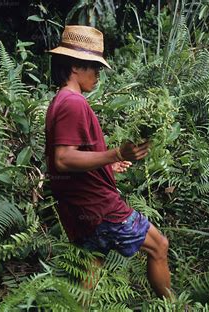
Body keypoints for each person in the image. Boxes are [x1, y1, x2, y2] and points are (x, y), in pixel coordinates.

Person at [44, 25, 171, 298]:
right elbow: (63, 159)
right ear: (76, 66)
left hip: (80, 210)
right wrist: (116, 154)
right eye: (94, 67)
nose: (98, 75)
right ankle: (173, 306)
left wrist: (105, 166)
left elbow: (69, 156)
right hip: (99, 207)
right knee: (159, 245)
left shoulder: (60, 101)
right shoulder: (73, 104)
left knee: (88, 274)